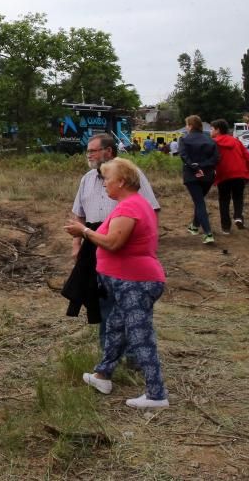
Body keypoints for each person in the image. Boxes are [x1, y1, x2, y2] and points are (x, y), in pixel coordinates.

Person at [65, 158, 169, 409]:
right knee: (115, 329)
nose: (104, 186)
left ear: (121, 181)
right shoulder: (130, 204)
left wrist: (84, 232)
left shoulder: (129, 207)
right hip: (128, 281)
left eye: (108, 180)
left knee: (140, 336)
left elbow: (113, 243)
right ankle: (103, 376)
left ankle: (156, 394)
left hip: (135, 282)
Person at [63, 134, 160, 350]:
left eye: (93, 151)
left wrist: (149, 245)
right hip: (92, 240)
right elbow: (79, 214)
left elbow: (151, 210)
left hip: (121, 241)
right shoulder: (87, 179)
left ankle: (130, 354)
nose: (89, 155)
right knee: (98, 297)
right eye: (88, 151)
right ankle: (109, 352)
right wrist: (76, 245)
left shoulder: (131, 175)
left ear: (108, 151)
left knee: (125, 300)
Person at [210, 119, 249, 239]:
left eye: (212, 129)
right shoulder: (236, 141)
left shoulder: (213, 143)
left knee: (224, 200)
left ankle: (226, 228)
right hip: (239, 173)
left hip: (223, 174)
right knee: (238, 197)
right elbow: (248, 158)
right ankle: (238, 217)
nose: (210, 131)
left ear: (218, 130)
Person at [180, 115, 220, 244]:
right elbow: (216, 159)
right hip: (208, 176)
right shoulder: (210, 140)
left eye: (186, 125)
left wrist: (195, 167)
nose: (186, 127)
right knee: (200, 201)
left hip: (192, 175)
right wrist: (203, 167)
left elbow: (184, 157)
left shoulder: (184, 139)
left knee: (199, 203)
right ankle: (194, 226)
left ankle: (208, 233)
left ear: (190, 126)